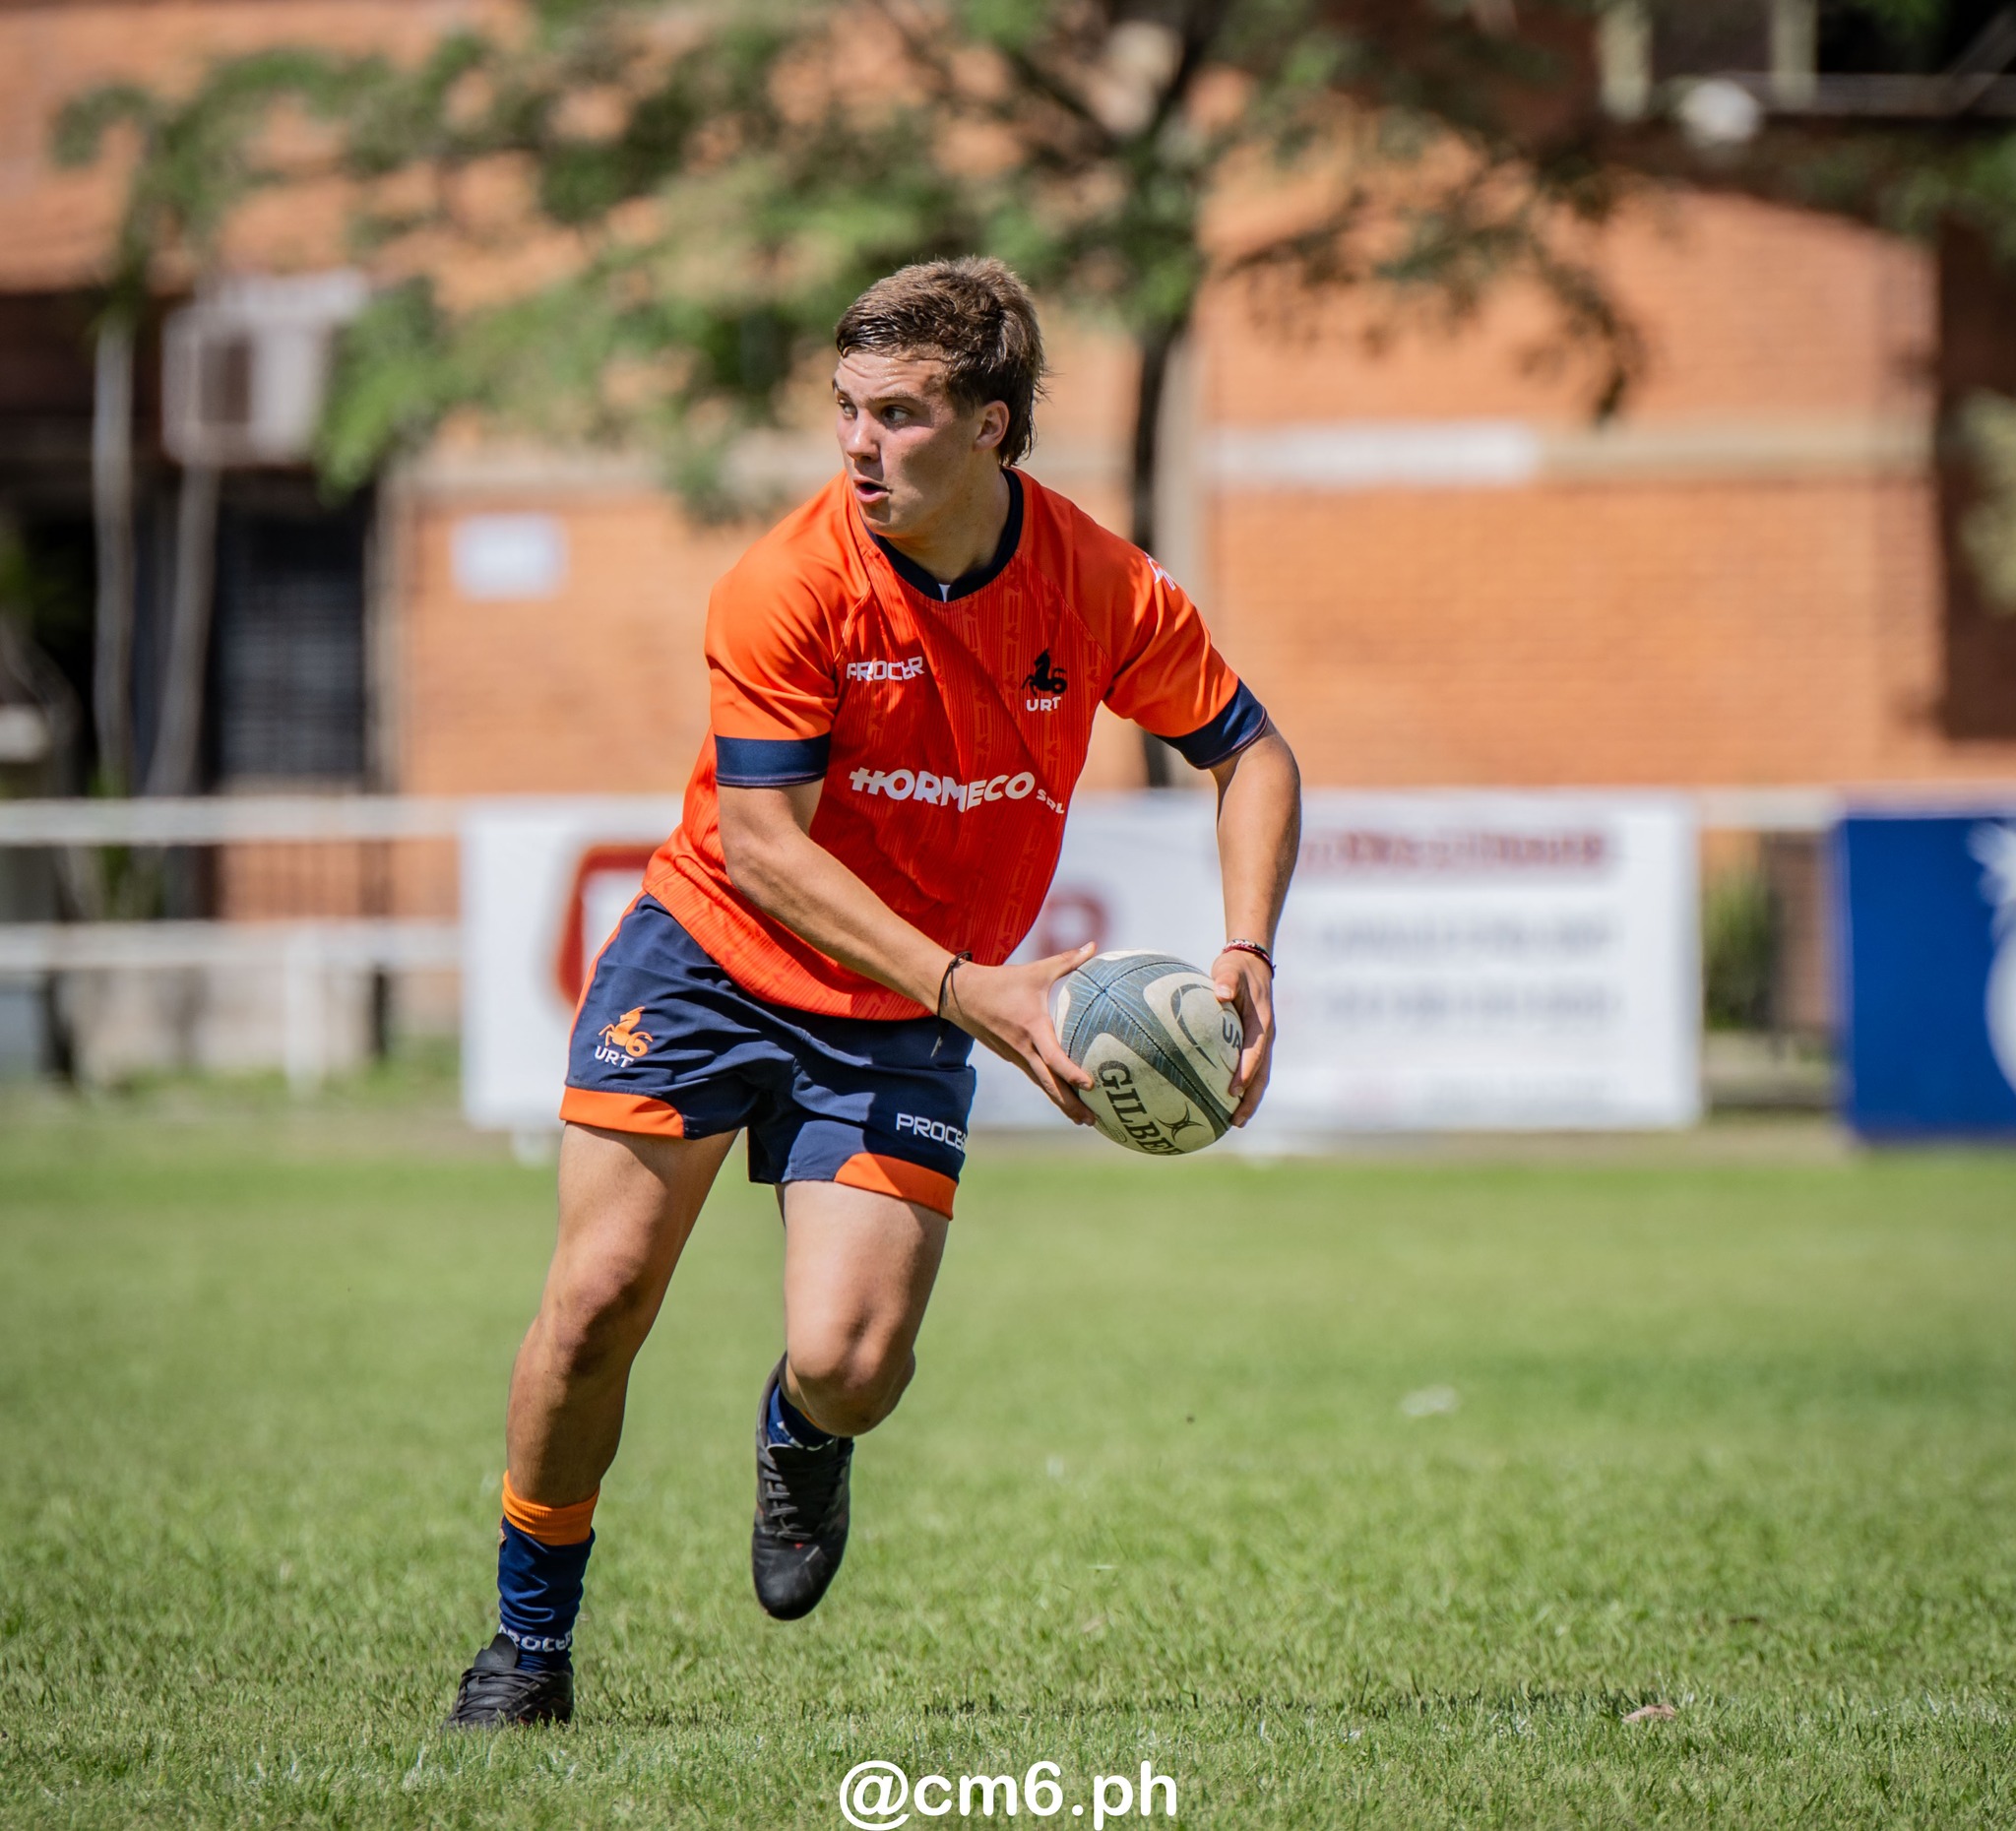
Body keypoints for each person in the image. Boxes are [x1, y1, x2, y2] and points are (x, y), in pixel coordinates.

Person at [446, 257, 1302, 1728]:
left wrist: (1247, 947)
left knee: (852, 1363)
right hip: (714, 958)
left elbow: (1252, 752)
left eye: (900, 415)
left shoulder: (1099, 587)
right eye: (845, 408)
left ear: (994, 428)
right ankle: (528, 1646)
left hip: (902, 1011)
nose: (858, 444)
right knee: (594, 1303)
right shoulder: (787, 584)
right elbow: (767, 854)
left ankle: (801, 1436)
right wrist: (976, 991)